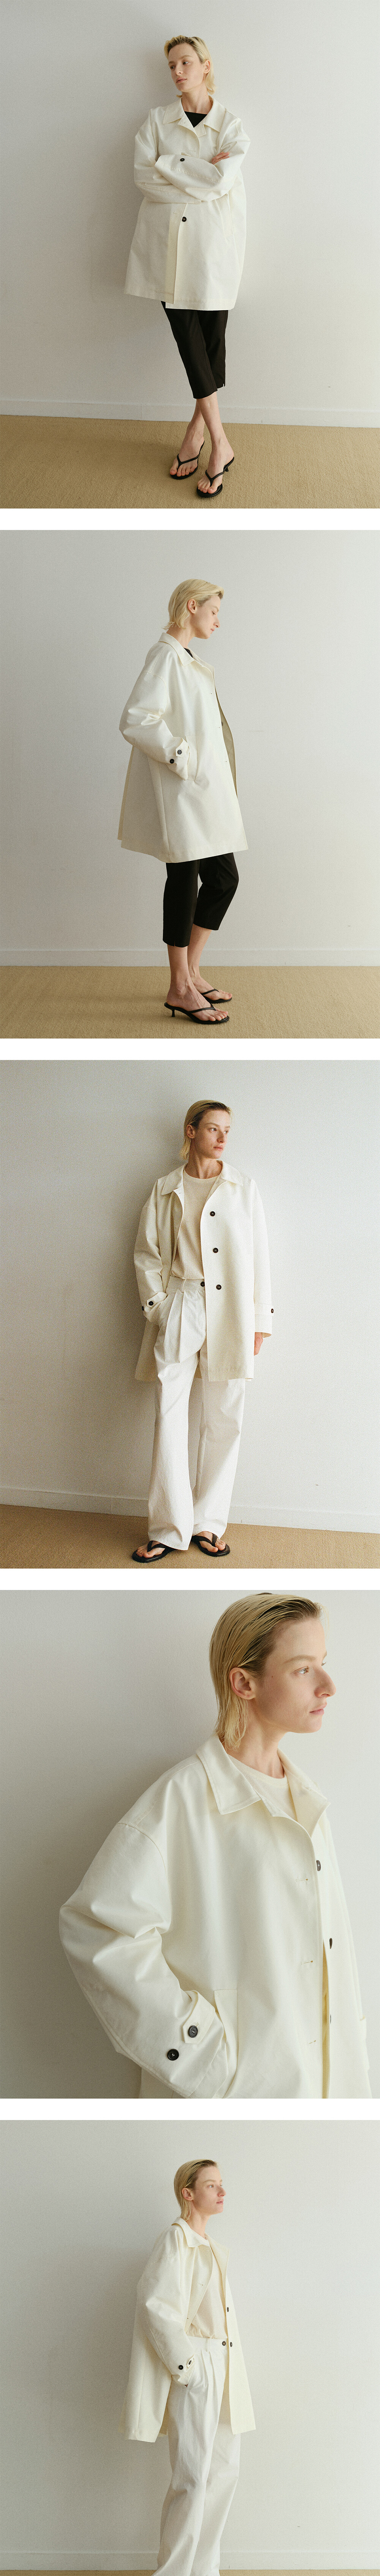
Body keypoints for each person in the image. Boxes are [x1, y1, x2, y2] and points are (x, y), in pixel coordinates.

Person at [59, 1593, 371, 2101]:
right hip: (237, 2095)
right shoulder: (180, 1801)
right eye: (303, 1669)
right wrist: (200, 2056)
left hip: (326, 2094)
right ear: (244, 1683)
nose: (328, 1685)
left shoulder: (307, 1799)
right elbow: (97, 1928)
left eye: (323, 1664)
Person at [131, 1097, 272, 1560]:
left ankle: (208, 1523)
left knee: (224, 1417)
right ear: (191, 1131)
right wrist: (159, 1307)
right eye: (214, 1128)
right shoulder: (165, 1188)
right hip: (182, 1304)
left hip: (232, 1312)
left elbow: (259, 1256)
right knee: (169, 1414)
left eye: (228, 1129)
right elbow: (147, 1253)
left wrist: (260, 1320)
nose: (223, 1137)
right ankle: (168, 1528)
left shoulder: (242, 1187)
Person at [122, 2157, 253, 2576]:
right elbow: (154, 2303)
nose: (222, 2191)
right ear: (188, 2192)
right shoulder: (176, 2238)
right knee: (193, 2475)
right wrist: (189, 2367)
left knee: (224, 2471)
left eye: (222, 2184)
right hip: (197, 2364)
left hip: (225, 2362)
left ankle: (203, 2571)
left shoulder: (210, 2245)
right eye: (212, 2184)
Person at [118, 579, 247, 1023]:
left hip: (201, 792)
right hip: (182, 792)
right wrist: (183, 757)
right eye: (214, 612)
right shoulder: (165, 656)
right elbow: (137, 718)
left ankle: (190, 972)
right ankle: (179, 986)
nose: (218, 622)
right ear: (192, 607)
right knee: (184, 879)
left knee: (223, 878)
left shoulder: (188, 659)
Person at [125, 38, 249, 498]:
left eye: (185, 62)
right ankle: (220, 443)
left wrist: (171, 165)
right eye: (171, 65)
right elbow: (144, 179)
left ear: (205, 66)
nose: (177, 71)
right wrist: (197, 172)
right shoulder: (156, 121)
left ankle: (195, 435)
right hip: (168, 248)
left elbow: (222, 181)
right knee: (188, 339)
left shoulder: (231, 126)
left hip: (215, 247)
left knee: (211, 344)